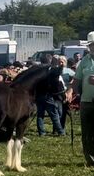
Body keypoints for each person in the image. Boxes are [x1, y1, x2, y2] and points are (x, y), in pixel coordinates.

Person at [66, 31, 94, 166]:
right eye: (91, 45)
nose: (93, 47)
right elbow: (76, 79)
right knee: (86, 132)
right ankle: (90, 159)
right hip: (86, 102)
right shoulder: (84, 61)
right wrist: (70, 91)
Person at [36, 52, 65, 136]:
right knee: (54, 114)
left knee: (40, 114)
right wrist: (61, 65)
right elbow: (58, 72)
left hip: (38, 95)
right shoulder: (49, 70)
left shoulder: (38, 70)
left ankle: (41, 132)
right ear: (49, 60)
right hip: (47, 94)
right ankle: (60, 132)